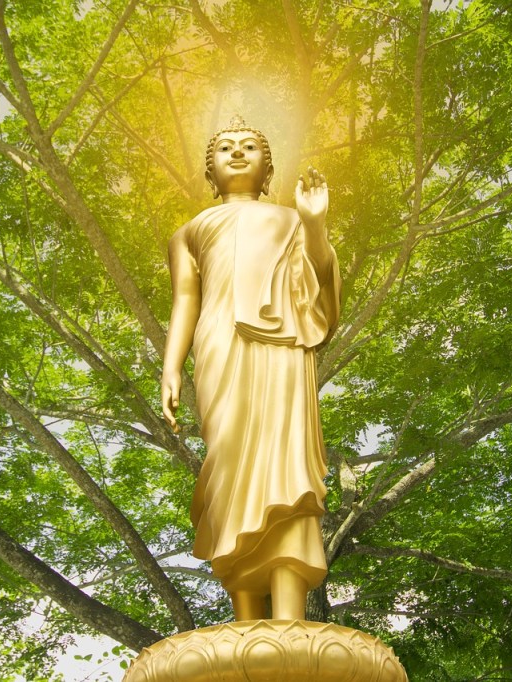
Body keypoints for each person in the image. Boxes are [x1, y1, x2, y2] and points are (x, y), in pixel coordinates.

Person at [161, 117, 340, 621]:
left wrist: (314, 225)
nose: (237, 153)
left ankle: (289, 613)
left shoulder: (290, 219)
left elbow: (318, 282)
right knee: (230, 465)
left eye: (248, 147)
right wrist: (171, 367)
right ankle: (244, 617)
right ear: (210, 172)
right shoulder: (190, 232)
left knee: (284, 464)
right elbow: (185, 301)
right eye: (224, 148)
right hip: (220, 346)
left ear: (268, 170)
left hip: (282, 348)